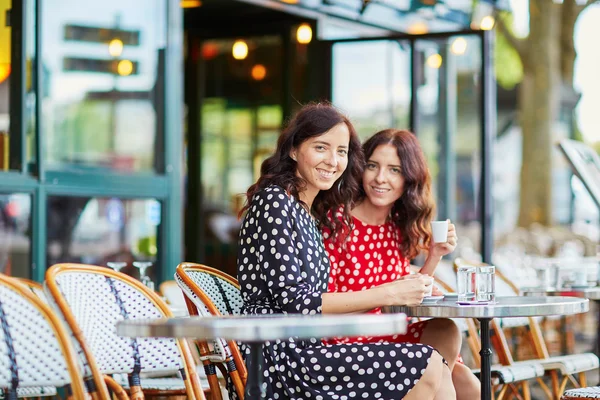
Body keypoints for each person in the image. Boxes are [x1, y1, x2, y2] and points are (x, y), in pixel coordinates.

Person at [237, 103, 456, 399]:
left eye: (341, 151)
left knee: (443, 367)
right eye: (321, 148)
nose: (332, 161)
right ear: (293, 150)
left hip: (304, 348)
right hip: (280, 357)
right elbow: (295, 302)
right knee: (427, 364)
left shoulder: (305, 212)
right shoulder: (275, 202)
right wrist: (388, 293)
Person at [322, 128, 480, 400]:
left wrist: (434, 255)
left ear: (409, 179)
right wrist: (384, 296)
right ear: (360, 168)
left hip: (392, 334)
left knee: (451, 342)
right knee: (455, 381)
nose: (380, 178)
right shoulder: (338, 224)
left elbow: (408, 294)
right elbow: (322, 305)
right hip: (348, 341)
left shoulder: (397, 226)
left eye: (394, 170)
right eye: (373, 166)